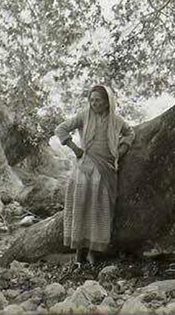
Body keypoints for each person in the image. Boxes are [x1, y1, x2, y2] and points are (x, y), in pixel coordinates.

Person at [54, 84, 135, 266]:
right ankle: (79, 253)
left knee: (99, 209)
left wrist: (121, 150)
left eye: (98, 100)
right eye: (91, 100)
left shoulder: (117, 120)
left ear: (108, 101)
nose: (94, 103)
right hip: (85, 169)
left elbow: (130, 133)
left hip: (106, 168)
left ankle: (93, 251)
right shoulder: (84, 116)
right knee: (81, 208)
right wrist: (75, 149)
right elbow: (61, 129)